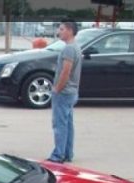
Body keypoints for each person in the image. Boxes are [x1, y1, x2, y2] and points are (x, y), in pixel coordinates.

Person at [47, 20, 82, 163]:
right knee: (67, 124)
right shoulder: (75, 47)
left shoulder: (69, 49)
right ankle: (67, 153)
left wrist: (57, 89)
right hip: (72, 92)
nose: (59, 32)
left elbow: (66, 71)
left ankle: (58, 155)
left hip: (64, 92)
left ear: (69, 30)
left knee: (60, 125)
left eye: (61, 29)